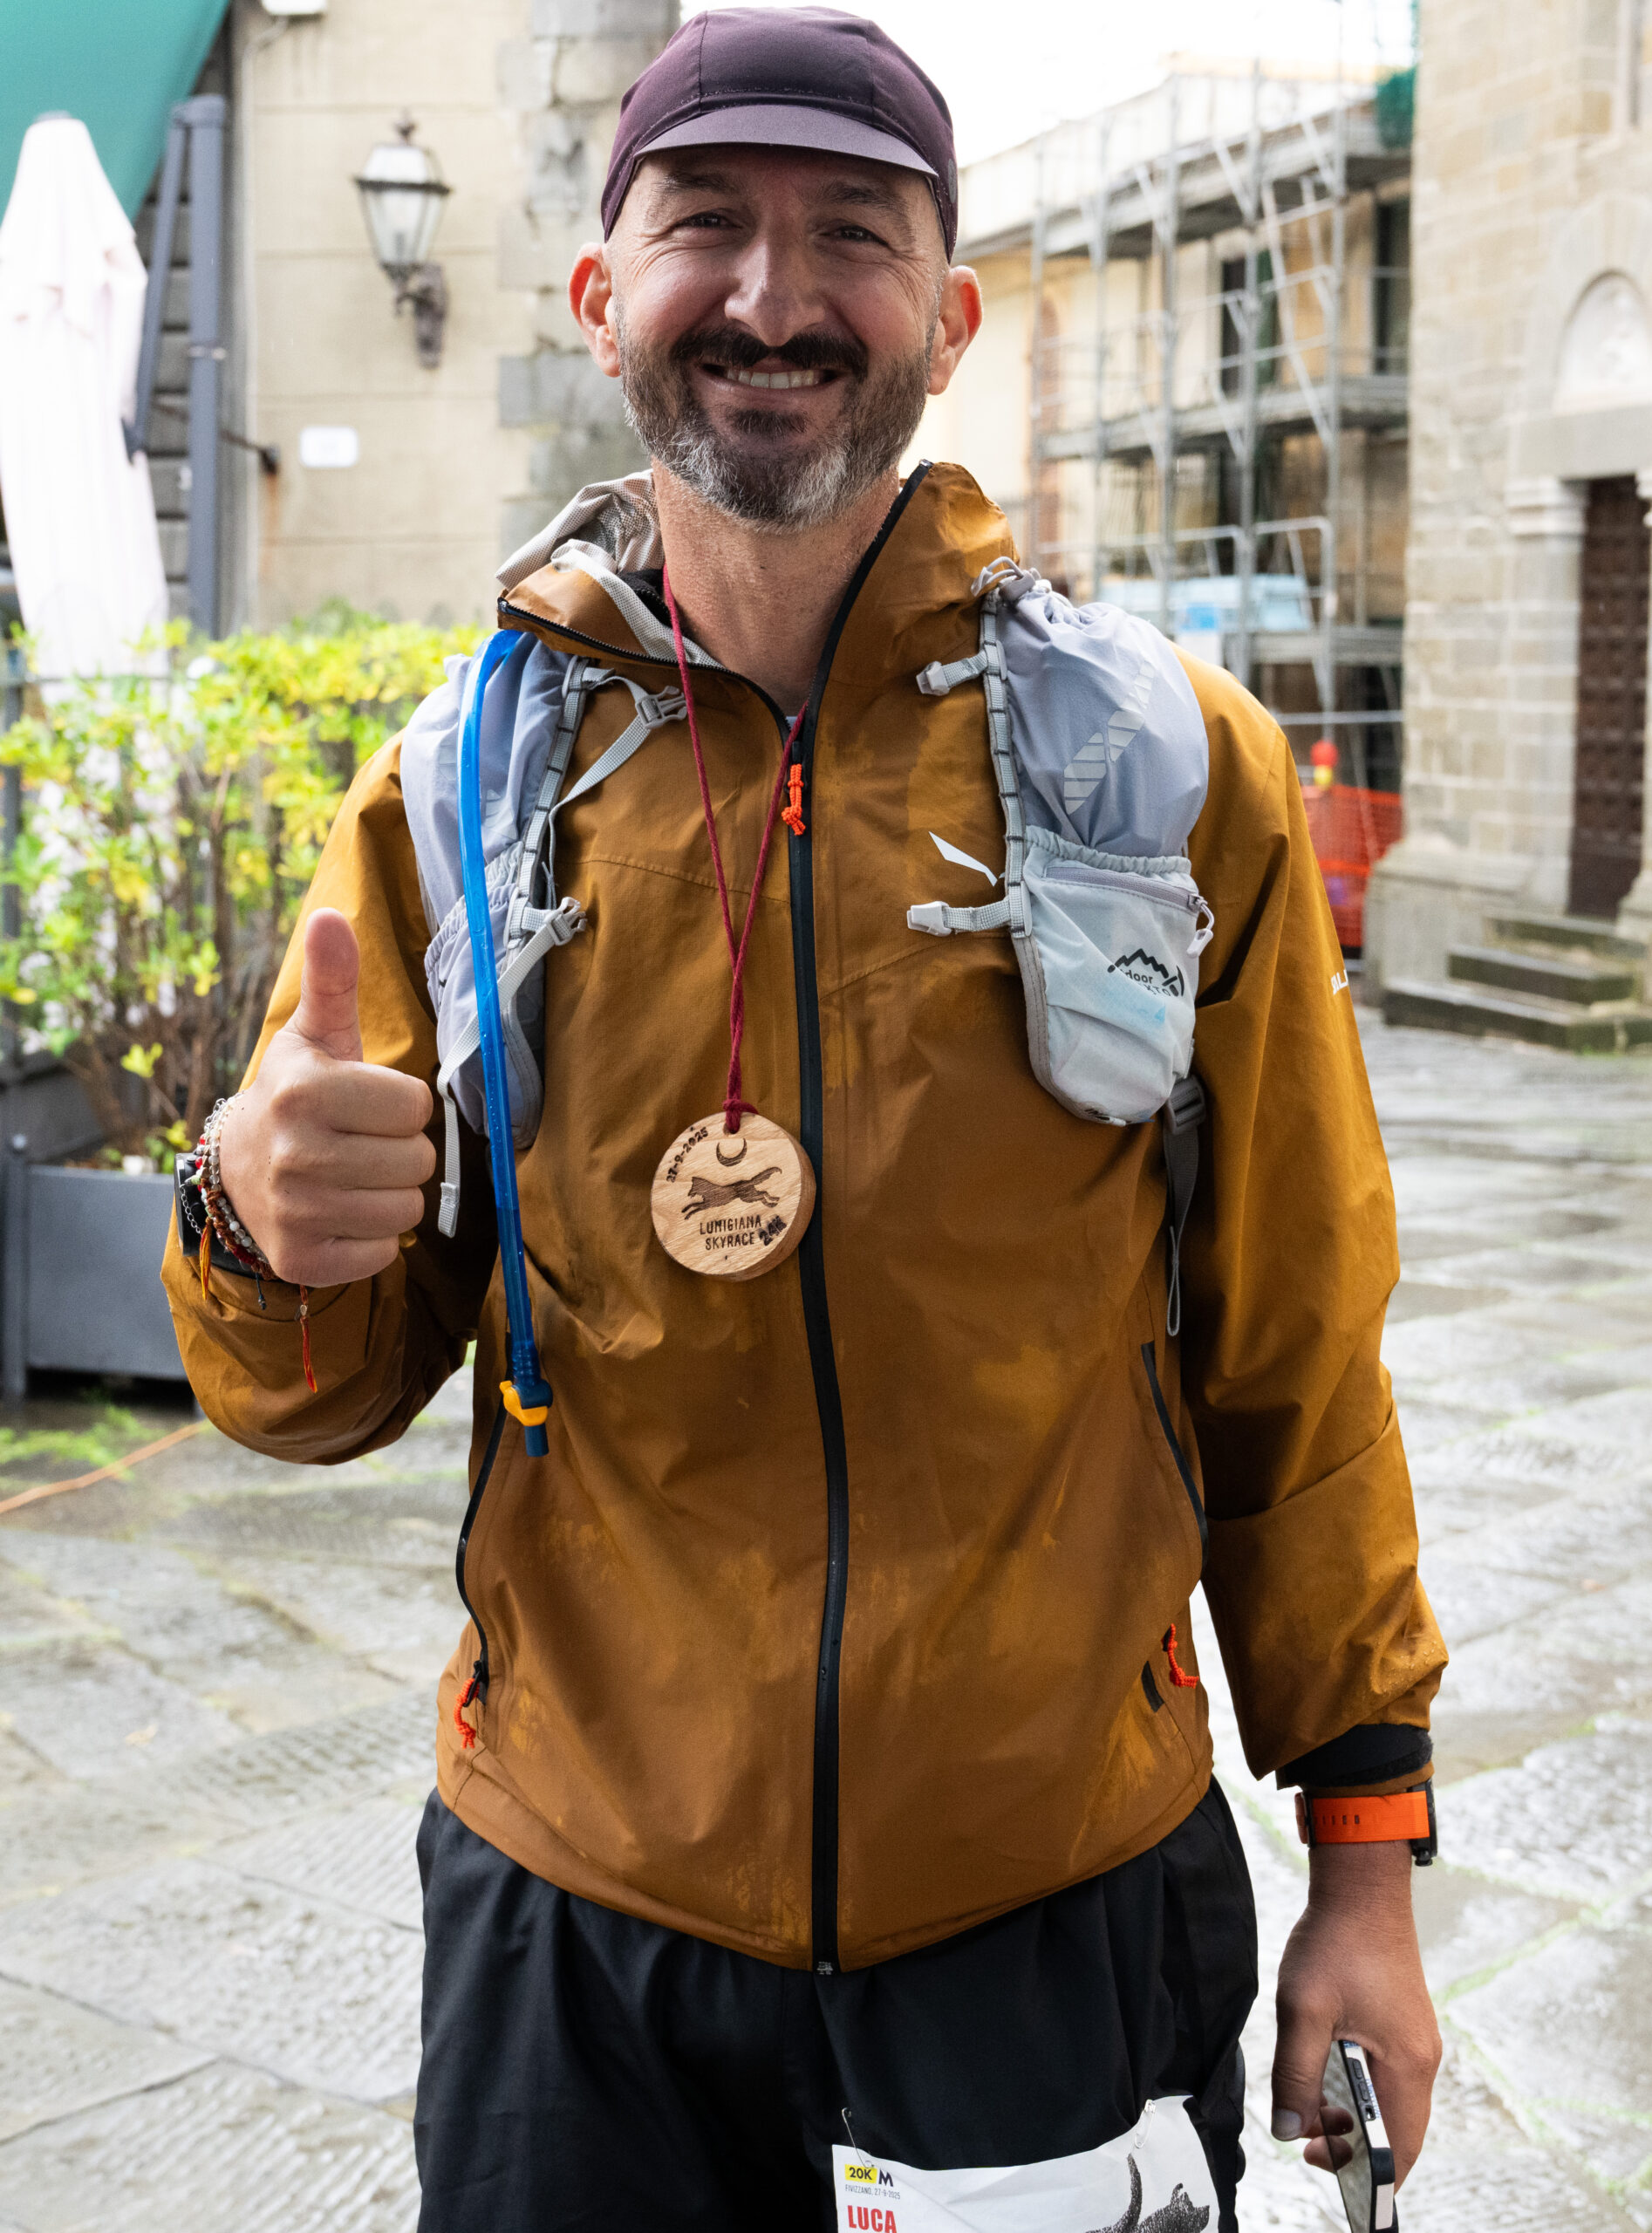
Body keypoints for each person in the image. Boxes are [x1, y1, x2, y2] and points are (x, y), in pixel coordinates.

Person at [163, 11, 1447, 2230]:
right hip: (579, 1923)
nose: (773, 295)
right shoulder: (456, 788)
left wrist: (1367, 1865)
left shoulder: (1174, 773)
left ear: (949, 318)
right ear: (603, 296)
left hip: (1048, 1900)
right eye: (707, 226)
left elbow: (1296, 1355)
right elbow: (309, 1393)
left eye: (853, 234)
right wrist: (256, 1220)